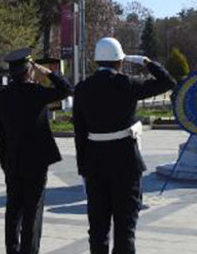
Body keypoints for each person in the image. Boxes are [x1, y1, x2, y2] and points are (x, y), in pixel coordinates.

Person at [73, 37, 176, 254]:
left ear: (96, 62)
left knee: (98, 230)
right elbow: (168, 82)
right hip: (125, 164)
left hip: (95, 164)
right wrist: (146, 61)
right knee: (125, 229)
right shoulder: (127, 84)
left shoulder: (82, 89)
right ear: (120, 61)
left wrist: (83, 168)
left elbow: (79, 133)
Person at [0, 48, 73, 254]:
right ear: (29, 71)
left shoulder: (1, 97)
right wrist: (47, 72)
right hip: (36, 163)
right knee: (32, 213)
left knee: (13, 212)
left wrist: (5, 161)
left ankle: (12, 250)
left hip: (13, 162)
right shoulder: (37, 93)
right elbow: (66, 89)